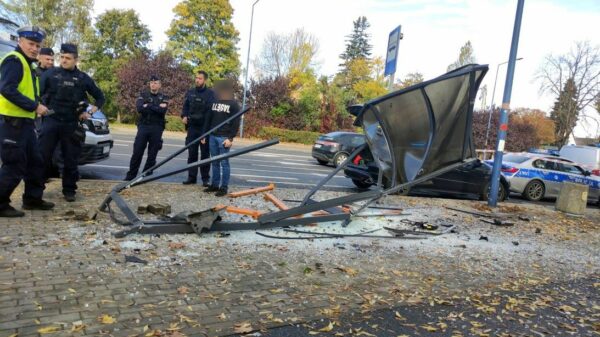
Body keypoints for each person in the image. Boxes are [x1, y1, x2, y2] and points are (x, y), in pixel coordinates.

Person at [39, 43, 105, 202]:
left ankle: (69, 190)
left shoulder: (83, 78)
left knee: (70, 159)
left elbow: (100, 98)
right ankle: (35, 191)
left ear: (76, 59)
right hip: (51, 120)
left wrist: (88, 113)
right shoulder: (50, 74)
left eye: (67, 58)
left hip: (71, 123)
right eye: (61, 57)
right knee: (42, 157)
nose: (63, 60)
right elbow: (36, 94)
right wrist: (40, 108)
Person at [0, 26, 54, 217]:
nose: (34, 48)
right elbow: (7, 89)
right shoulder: (14, 61)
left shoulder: (27, 64)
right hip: (11, 123)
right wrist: (34, 106)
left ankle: (32, 199)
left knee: (35, 162)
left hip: (25, 123)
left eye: (37, 45)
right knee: (14, 165)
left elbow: (25, 91)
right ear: (20, 41)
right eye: (31, 44)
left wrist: (38, 105)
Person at [124, 75, 168, 180]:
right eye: (151, 82)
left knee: (152, 154)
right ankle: (131, 176)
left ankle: (146, 175)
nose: (153, 84)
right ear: (149, 84)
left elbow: (162, 111)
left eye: (156, 83)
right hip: (144, 126)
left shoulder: (164, 97)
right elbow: (139, 109)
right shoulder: (143, 95)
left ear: (160, 85)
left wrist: (148, 105)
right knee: (137, 152)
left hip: (157, 127)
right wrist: (155, 107)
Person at [201, 80, 240, 197]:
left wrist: (230, 138)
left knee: (224, 163)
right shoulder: (215, 102)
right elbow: (208, 119)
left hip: (224, 138)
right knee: (214, 162)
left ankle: (224, 187)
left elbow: (235, 123)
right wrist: (204, 134)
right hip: (212, 136)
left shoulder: (233, 105)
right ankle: (215, 185)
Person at [181, 70, 215, 186]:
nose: (197, 80)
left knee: (205, 154)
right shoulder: (190, 92)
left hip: (204, 129)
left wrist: (206, 133)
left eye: (200, 78)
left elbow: (211, 113)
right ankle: (192, 177)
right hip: (192, 128)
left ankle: (205, 179)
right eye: (196, 78)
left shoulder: (210, 94)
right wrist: (184, 116)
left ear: (204, 80)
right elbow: (185, 106)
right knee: (192, 153)